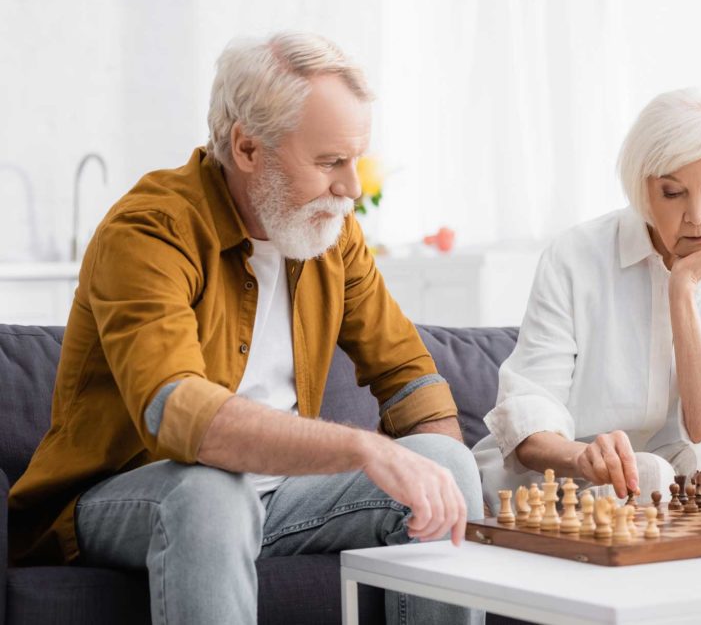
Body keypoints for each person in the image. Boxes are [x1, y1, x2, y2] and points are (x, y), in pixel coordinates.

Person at [9, 32, 483, 625]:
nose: (352, 189)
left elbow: (408, 376)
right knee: (213, 493)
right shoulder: (151, 229)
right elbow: (179, 413)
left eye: (354, 160)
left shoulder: (331, 237)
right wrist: (362, 447)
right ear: (247, 147)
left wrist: (427, 465)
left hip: (280, 495)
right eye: (329, 162)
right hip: (124, 496)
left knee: (447, 466)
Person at [473, 88, 701, 512]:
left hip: (663, 484)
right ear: (643, 191)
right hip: (561, 483)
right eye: (673, 193)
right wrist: (585, 458)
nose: (696, 216)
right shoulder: (576, 255)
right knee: (648, 474)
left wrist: (683, 288)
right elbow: (531, 415)